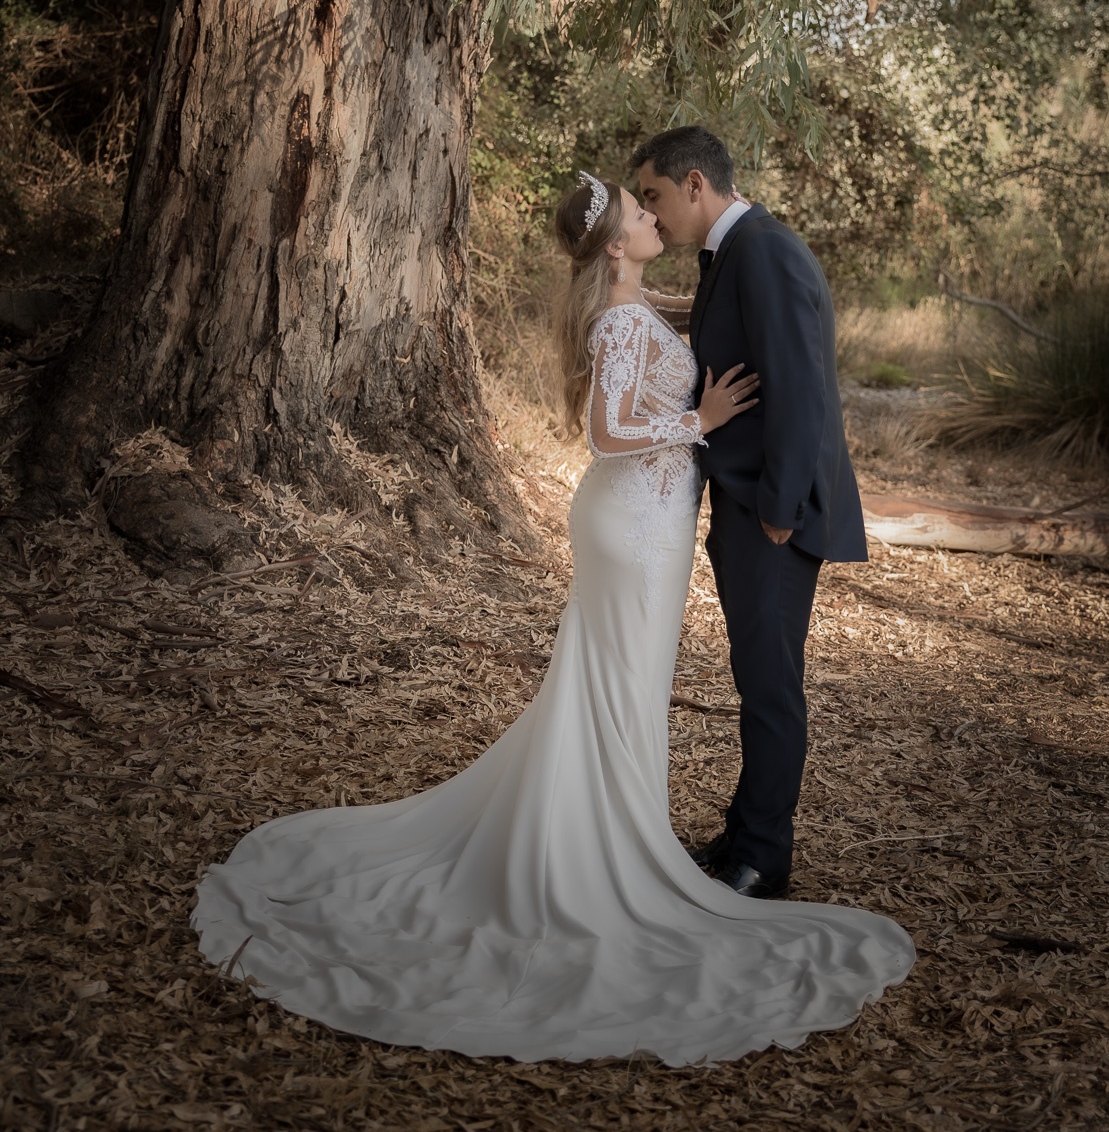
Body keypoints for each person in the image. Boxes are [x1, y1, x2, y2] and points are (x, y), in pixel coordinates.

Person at [191, 173, 912, 1063]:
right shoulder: (615, 319)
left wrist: (721, 284)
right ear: (615, 246)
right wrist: (702, 417)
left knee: (623, 678)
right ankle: (598, 844)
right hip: (633, 520)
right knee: (615, 675)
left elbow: (684, 312)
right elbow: (608, 432)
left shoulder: (635, 299)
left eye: (657, 205)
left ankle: (621, 819)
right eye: (641, 214)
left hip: (650, 518)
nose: (654, 218)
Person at [635, 126, 867, 901]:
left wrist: (780, 506)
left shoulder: (763, 249)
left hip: (774, 510)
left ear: (695, 184)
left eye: (655, 196)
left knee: (771, 683)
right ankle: (743, 829)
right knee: (754, 673)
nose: (652, 212)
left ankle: (764, 854)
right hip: (747, 502)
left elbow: (803, 386)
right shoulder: (733, 252)